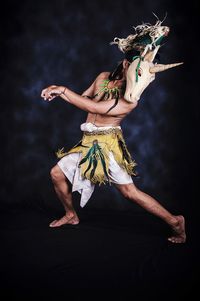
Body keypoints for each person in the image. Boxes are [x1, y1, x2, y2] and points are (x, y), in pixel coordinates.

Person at [41, 20, 186, 244]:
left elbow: (92, 108)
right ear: (126, 64)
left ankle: (175, 221)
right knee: (56, 174)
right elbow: (87, 98)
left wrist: (63, 90)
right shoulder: (102, 77)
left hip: (106, 147)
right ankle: (71, 215)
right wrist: (59, 92)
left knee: (129, 192)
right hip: (88, 142)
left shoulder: (129, 102)